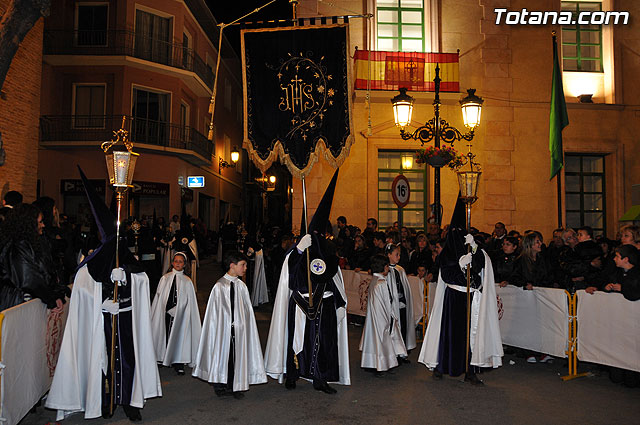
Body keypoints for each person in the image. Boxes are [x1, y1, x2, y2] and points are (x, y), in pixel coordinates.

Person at [46, 169, 161, 421]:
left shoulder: (126, 256)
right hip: (103, 319)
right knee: (104, 359)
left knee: (128, 358)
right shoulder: (94, 261)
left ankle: (130, 400)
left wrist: (128, 276)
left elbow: (143, 278)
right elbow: (83, 285)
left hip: (127, 317)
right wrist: (102, 300)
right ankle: (106, 399)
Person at [264, 169, 350, 394]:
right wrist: (299, 251)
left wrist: (339, 301)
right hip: (300, 304)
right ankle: (292, 374)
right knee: (296, 340)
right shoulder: (298, 249)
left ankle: (320, 378)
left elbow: (333, 276)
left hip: (324, 303)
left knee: (322, 342)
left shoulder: (329, 250)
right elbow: (289, 275)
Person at [418, 196, 502, 385]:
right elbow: (447, 275)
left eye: (461, 232)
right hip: (454, 297)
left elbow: (482, 266)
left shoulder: (471, 248)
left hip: (472, 298)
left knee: (471, 334)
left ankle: (470, 370)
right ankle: (443, 366)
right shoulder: (447, 253)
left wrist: (474, 248)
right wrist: (460, 266)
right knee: (451, 334)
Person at [192, 251, 267, 398]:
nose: (245, 268)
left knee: (236, 357)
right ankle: (220, 384)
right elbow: (213, 314)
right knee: (222, 355)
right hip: (223, 330)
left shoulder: (242, 286)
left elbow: (246, 311)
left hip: (239, 330)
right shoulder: (219, 286)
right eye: (243, 265)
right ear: (232, 266)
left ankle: (235, 385)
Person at [0, 203, 68, 312]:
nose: (43, 225)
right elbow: (29, 279)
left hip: (28, 302)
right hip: (17, 304)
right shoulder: (18, 246)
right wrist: (51, 298)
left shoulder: (30, 243)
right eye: (40, 222)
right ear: (28, 224)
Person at [150, 252, 201, 375]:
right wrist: (166, 308)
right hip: (165, 315)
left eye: (181, 262)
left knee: (179, 337)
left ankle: (178, 361)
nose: (178, 263)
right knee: (164, 335)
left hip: (181, 316)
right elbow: (159, 297)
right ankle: (161, 357)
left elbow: (190, 302)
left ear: (184, 265)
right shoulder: (165, 278)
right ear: (172, 263)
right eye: (176, 261)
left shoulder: (187, 281)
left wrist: (179, 309)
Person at [360, 254, 406, 375]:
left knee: (373, 340)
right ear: (384, 267)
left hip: (374, 317)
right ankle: (381, 364)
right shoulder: (381, 283)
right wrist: (391, 316)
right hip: (382, 318)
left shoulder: (374, 280)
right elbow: (386, 301)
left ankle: (373, 363)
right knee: (382, 340)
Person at [385, 243, 416, 357]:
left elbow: (404, 288)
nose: (399, 257)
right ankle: (393, 353)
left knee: (403, 326)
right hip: (392, 306)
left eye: (399, 255)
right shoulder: (385, 271)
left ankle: (402, 351)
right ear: (388, 255)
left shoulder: (400, 270)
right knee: (393, 328)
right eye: (396, 254)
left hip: (402, 304)